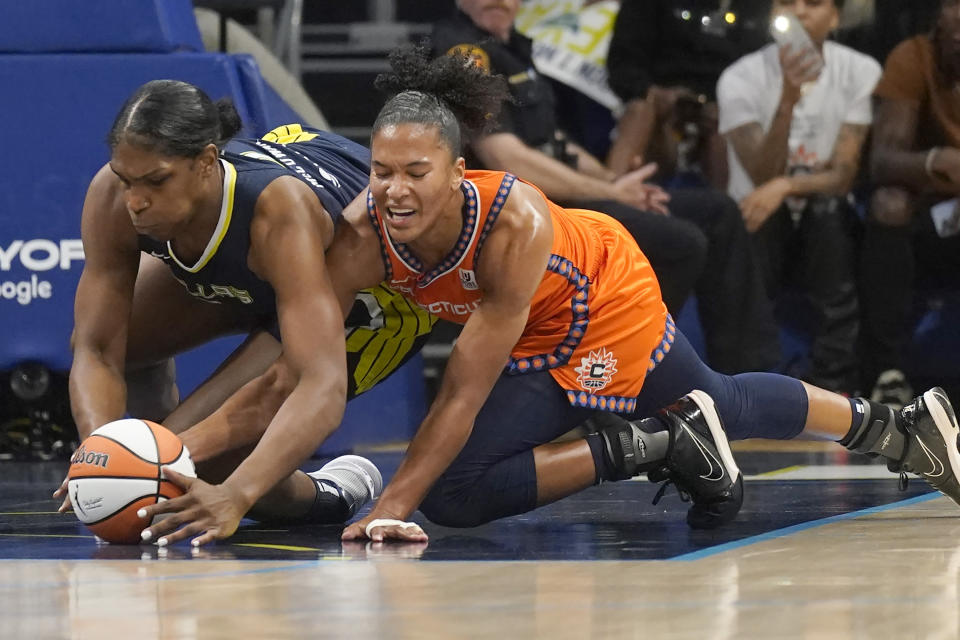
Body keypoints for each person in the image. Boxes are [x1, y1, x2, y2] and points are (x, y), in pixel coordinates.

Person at [137, 46, 958, 546]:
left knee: (709, 402)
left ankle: (723, 436)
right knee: (470, 487)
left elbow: (462, 389)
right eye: (382, 172)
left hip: (600, 300)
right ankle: (738, 437)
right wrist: (178, 452)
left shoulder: (511, 220)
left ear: (459, 169)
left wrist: (388, 506)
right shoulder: (362, 234)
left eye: (415, 173)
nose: (392, 191)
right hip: (534, 332)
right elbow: (293, 366)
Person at [59, 80, 437, 542]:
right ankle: (155, 455)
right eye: (125, 179)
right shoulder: (114, 195)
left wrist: (189, 475)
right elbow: (97, 348)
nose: (135, 200)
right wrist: (101, 454)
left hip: (376, 295)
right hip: (262, 268)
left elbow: (314, 386)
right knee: (118, 349)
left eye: (156, 181)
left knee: (206, 472)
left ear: (206, 162)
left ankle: (332, 491)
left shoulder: (277, 211)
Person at [431, 0, 781, 374]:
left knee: (718, 212)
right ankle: (616, 375)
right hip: (515, 215)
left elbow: (554, 144)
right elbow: (508, 159)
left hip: (558, 199)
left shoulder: (514, 46)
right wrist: (613, 194)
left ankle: (749, 380)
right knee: (680, 243)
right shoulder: (462, 54)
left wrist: (617, 183)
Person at [717, 0, 880, 395]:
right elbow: (761, 175)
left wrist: (787, 186)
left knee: (827, 211)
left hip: (823, 224)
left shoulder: (859, 70)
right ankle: (752, 385)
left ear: (837, 17)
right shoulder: (738, 77)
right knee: (754, 213)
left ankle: (836, 382)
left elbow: (843, 176)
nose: (800, 13)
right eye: (787, 3)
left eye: (814, 3)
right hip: (759, 222)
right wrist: (788, 99)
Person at [861, 0, 960, 409]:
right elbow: (882, 161)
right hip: (928, 215)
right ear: (940, 18)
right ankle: (887, 373)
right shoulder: (913, 56)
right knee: (887, 203)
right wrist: (935, 161)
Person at [606, 0, 770, 188]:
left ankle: (726, 210)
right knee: (640, 111)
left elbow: (758, 72)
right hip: (656, 101)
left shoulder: (757, 7)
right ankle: (610, 197)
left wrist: (723, 105)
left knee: (726, 128)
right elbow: (621, 64)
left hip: (720, 108)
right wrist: (652, 93)